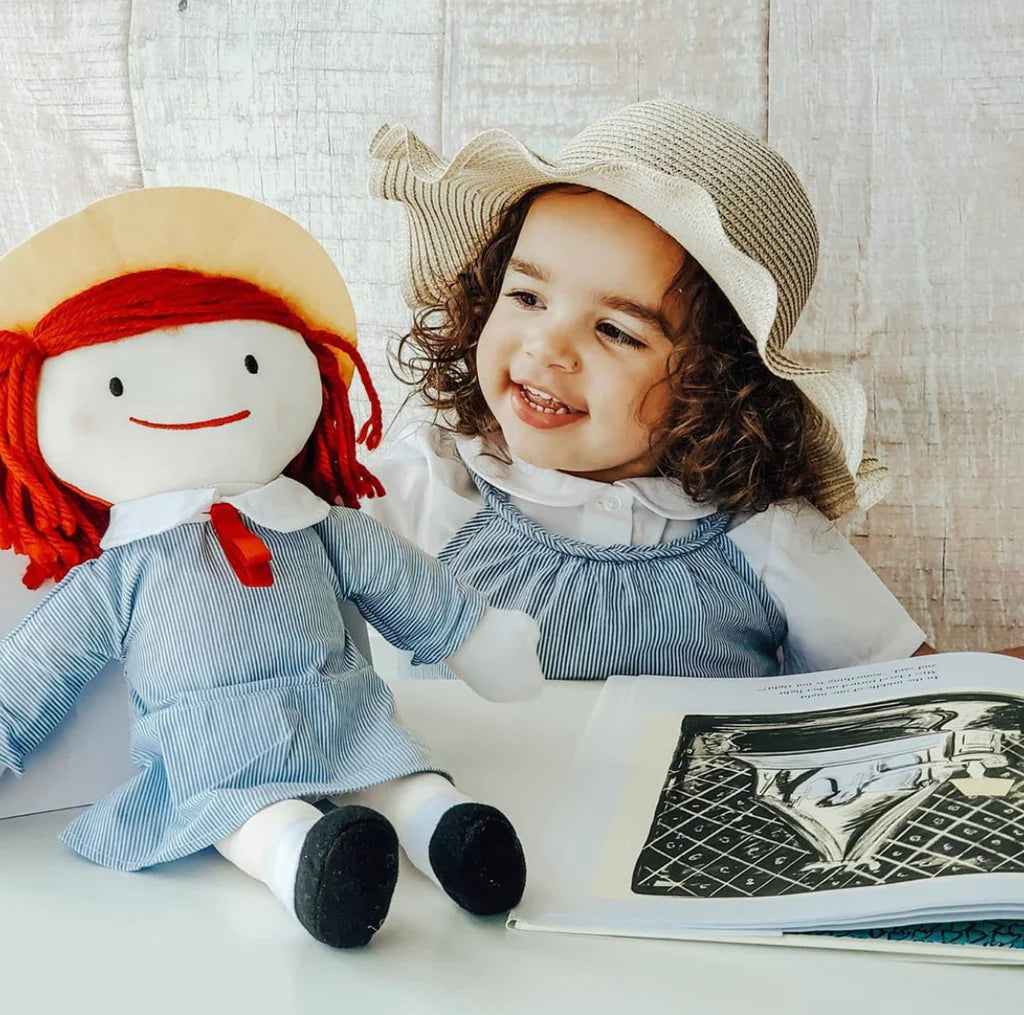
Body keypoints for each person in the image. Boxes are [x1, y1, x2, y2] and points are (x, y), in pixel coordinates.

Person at [360, 100, 1022, 679]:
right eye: (528, 296)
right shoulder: (429, 486)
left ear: (715, 384)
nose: (548, 348)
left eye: (617, 331)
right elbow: (301, 594)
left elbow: (912, 690)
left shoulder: (766, 535)